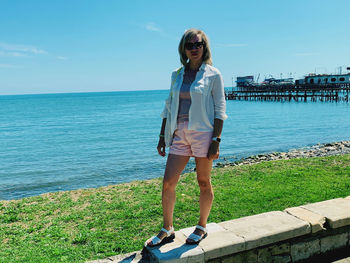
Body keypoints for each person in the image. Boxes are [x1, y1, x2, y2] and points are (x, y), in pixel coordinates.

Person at [146, 28, 227, 246]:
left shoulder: (213, 74)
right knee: (168, 182)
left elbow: (220, 110)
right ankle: (167, 228)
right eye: (189, 45)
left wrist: (216, 140)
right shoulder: (177, 75)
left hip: (203, 134)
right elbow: (169, 106)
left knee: (203, 181)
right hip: (179, 133)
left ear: (204, 47)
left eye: (197, 44)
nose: (194, 48)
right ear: (184, 48)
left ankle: (201, 226)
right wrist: (162, 136)